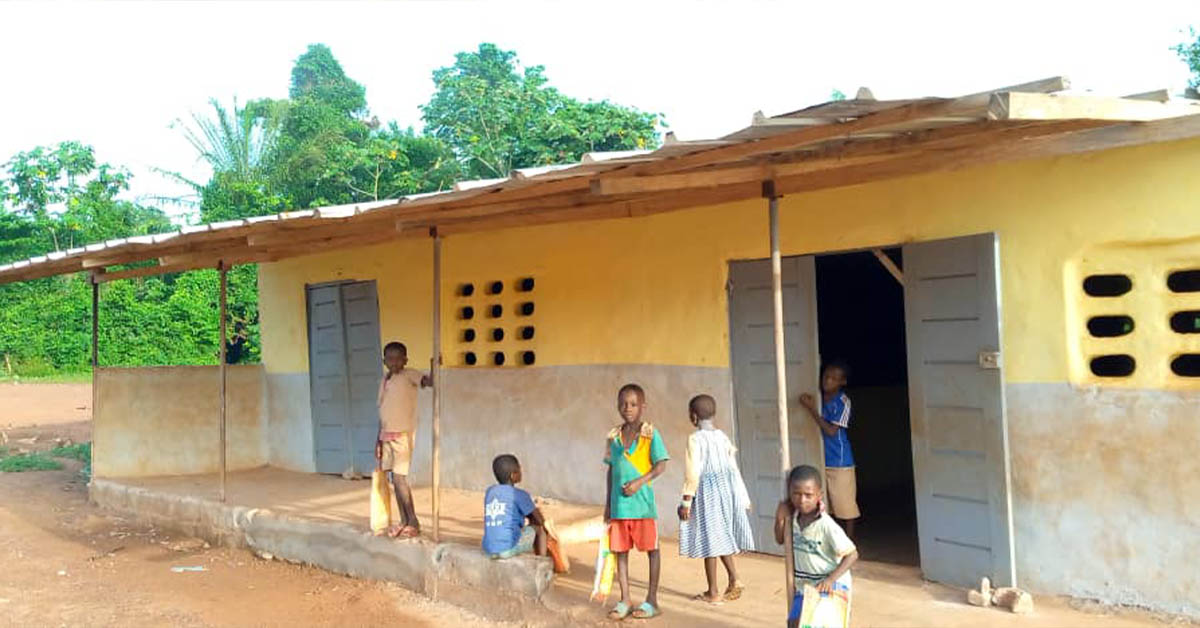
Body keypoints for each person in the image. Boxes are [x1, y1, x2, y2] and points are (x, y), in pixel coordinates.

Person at [677, 394, 754, 604]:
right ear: (714, 414)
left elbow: (692, 473)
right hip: (727, 492)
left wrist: (686, 501)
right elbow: (733, 468)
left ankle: (713, 592)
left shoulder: (695, 439)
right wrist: (743, 496)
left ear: (693, 417)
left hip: (707, 494)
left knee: (709, 540)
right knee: (720, 535)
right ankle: (735, 578)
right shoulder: (722, 437)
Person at [603, 383, 669, 620]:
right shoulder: (613, 436)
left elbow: (661, 465)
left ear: (643, 406)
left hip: (642, 506)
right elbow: (611, 471)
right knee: (620, 552)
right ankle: (625, 599)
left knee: (652, 550)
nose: (627, 408)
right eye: (623, 404)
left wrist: (640, 482)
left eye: (632, 404)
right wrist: (608, 504)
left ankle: (652, 600)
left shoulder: (650, 433)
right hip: (620, 507)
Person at [775, 465, 858, 628]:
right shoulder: (792, 520)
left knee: (814, 622)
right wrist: (780, 518)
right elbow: (779, 539)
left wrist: (830, 579)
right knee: (793, 623)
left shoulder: (825, 524)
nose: (802, 500)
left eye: (808, 495)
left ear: (819, 495)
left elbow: (852, 554)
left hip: (829, 584)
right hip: (804, 585)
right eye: (796, 494)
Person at [374, 341, 431, 538]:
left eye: (399, 359)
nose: (394, 362)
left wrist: (435, 366)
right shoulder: (384, 380)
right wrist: (378, 439)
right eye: (390, 359)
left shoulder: (410, 375)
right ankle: (403, 520)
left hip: (402, 436)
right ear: (384, 361)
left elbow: (427, 382)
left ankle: (413, 520)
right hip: (386, 436)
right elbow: (382, 411)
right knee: (393, 479)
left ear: (405, 360)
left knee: (400, 479)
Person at [799, 360, 860, 539]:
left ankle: (849, 542)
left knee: (845, 505)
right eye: (826, 377)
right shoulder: (817, 396)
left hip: (839, 460)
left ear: (843, 382)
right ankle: (827, 539)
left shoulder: (842, 402)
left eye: (834, 379)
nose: (827, 381)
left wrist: (812, 410)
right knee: (824, 504)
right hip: (819, 456)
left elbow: (831, 431)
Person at [482, 454, 549, 558]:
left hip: (488, 548)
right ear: (513, 475)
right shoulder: (519, 494)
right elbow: (540, 520)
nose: (521, 472)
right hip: (506, 548)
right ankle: (542, 562)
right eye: (519, 469)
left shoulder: (490, 492)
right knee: (539, 530)